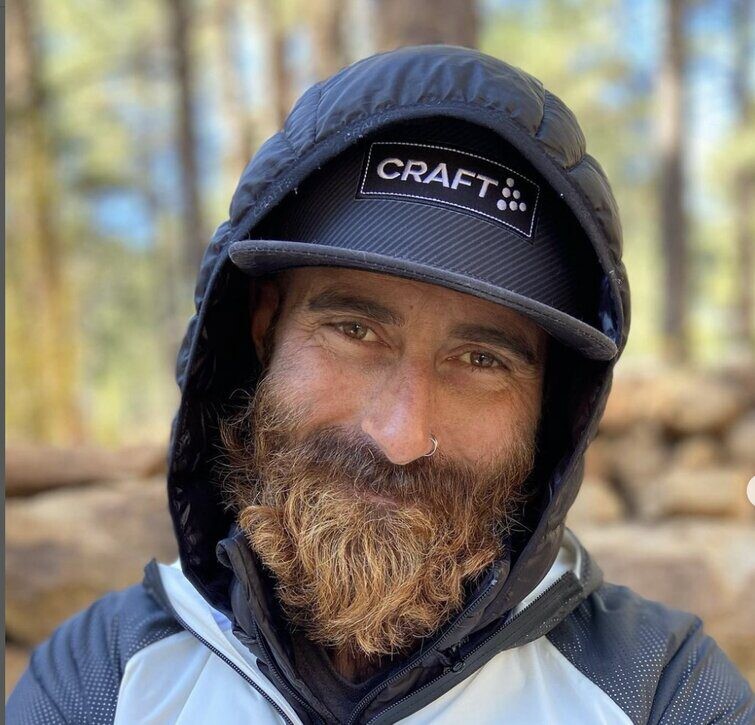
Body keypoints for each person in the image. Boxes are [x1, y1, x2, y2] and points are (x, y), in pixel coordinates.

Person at [7, 45, 754, 725]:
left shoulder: (660, 690)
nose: (399, 435)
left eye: (481, 360)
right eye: (354, 331)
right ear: (264, 325)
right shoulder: (103, 677)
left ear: (554, 403)